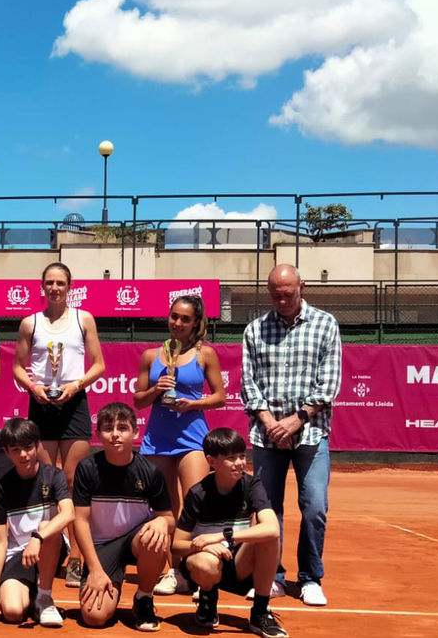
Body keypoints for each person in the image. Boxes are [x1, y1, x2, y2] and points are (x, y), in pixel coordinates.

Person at [241, 264, 342, 606]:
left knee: (314, 507)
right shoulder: (254, 330)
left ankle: (311, 577)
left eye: (288, 293)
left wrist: (295, 421)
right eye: (275, 294)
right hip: (267, 435)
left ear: (303, 287)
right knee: (269, 510)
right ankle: (273, 577)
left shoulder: (326, 324)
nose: (282, 300)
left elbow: (328, 385)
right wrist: (272, 423)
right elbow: (249, 385)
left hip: (311, 434)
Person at [12, 261, 104, 589]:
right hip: (41, 405)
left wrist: (75, 387)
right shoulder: (30, 323)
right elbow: (18, 367)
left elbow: (99, 365)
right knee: (48, 483)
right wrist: (34, 388)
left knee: (74, 480)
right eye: (49, 282)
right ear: (42, 286)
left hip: (74, 404)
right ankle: (52, 549)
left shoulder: (84, 319)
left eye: (60, 283)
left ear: (70, 286)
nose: (54, 288)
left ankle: (78, 557)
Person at [132, 294, 226, 595]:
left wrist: (193, 404)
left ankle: (199, 568)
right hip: (157, 439)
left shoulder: (205, 354)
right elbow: (138, 400)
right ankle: (174, 571)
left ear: (196, 322)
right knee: (165, 510)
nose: (178, 322)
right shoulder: (150, 355)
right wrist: (156, 390)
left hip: (192, 438)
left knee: (195, 505)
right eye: (174, 316)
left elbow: (220, 397)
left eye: (185, 318)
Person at [174, 428, 288, 638]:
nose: (239, 463)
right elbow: (177, 544)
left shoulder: (252, 485)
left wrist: (222, 536)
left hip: (240, 565)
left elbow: (272, 528)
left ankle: (260, 612)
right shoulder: (198, 493)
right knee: (204, 563)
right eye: (231, 458)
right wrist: (202, 545)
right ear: (211, 461)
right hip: (206, 564)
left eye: (242, 456)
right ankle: (207, 601)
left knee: (269, 538)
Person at [72, 402, 173, 632]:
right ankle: (107, 579)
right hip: (101, 548)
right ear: (98, 435)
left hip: (136, 541)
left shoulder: (150, 472)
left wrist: (161, 521)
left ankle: (144, 598)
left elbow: (168, 519)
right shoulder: (87, 468)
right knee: (94, 617)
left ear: (135, 433)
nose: (115, 435)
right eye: (108, 428)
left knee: (157, 534)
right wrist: (95, 570)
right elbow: (80, 521)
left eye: (122, 428)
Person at [0, 418, 74, 627]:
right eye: (15, 450)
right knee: (13, 612)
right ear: (7, 452)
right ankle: (33, 589)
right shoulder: (2, 486)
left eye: (28, 448)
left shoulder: (54, 476)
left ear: (37, 446)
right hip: (18, 555)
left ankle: (44, 598)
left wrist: (37, 537)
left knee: (46, 527)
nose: (23, 455)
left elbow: (68, 513)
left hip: (48, 546)